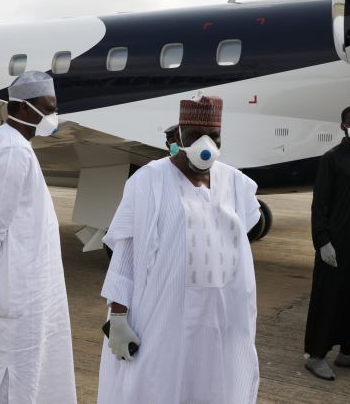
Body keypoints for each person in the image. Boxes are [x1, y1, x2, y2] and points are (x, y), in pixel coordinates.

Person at [97, 93, 261, 403]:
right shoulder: (148, 181)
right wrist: (117, 316)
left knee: (214, 388)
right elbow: (125, 253)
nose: (205, 143)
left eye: (213, 136)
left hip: (220, 322)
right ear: (179, 135)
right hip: (162, 319)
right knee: (157, 387)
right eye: (196, 135)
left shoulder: (236, 184)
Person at [0, 71, 76, 404]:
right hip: (14, 288)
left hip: (25, 284)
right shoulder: (13, 151)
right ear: (23, 108)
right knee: (6, 373)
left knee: (27, 367)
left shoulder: (15, 144)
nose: (53, 116)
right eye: (47, 107)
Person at [304, 105, 350, 380]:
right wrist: (322, 242)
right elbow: (319, 205)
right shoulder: (331, 159)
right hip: (335, 243)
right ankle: (316, 355)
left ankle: (348, 352)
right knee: (328, 298)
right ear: (342, 126)